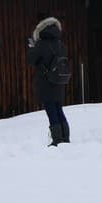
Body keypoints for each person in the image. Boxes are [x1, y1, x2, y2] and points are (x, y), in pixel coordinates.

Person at [27, 16, 70, 146]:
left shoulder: (40, 44)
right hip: (58, 82)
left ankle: (57, 140)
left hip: (46, 82)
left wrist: (31, 47)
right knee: (58, 109)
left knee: (51, 110)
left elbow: (31, 60)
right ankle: (65, 138)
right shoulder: (60, 44)